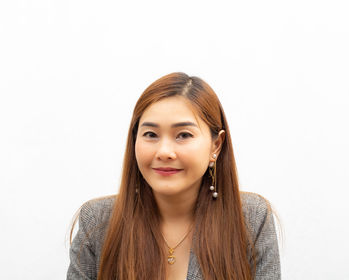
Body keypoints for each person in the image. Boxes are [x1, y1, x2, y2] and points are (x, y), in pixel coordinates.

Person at [67, 72, 281, 280]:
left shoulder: (252, 219)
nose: (164, 152)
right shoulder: (96, 222)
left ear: (216, 145)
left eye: (183, 135)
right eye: (151, 135)